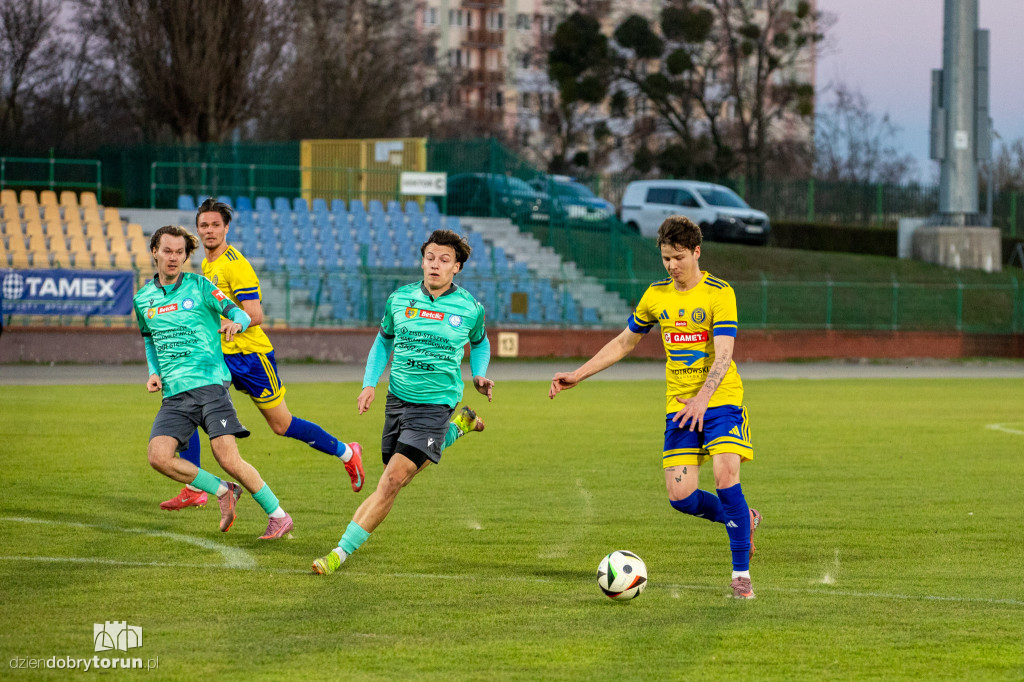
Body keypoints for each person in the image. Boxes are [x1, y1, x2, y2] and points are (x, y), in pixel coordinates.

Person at [549, 216, 762, 599]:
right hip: (678, 406)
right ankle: (743, 519)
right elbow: (623, 343)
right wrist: (579, 374)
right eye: (665, 258)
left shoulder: (719, 292)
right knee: (680, 497)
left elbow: (725, 354)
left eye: (678, 257)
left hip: (720, 401)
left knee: (725, 474)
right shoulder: (656, 295)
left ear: (697, 252)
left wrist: (703, 399)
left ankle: (740, 574)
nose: (671, 266)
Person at [158, 198, 364, 512]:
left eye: (215, 225)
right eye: (204, 225)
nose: (210, 230)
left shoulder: (235, 264)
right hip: (221, 357)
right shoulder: (207, 264)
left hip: (251, 357)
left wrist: (229, 322)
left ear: (226, 228)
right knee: (189, 397)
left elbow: (255, 314)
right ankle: (194, 487)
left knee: (282, 424)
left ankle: (347, 453)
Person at [311, 228, 493, 575]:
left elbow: (480, 342)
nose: (435, 265)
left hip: (435, 404)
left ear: (457, 267)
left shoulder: (470, 308)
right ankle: (458, 427)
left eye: (444, 260)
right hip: (397, 401)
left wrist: (479, 374)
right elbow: (383, 343)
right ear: (422, 261)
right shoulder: (400, 299)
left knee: (392, 481)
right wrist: (369, 384)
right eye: (430, 258)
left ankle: (339, 553)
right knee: (397, 476)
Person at [135, 225, 293, 539]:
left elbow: (241, 312)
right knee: (158, 456)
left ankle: (279, 515)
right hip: (174, 394)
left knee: (228, 458)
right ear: (154, 251)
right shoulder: (143, 299)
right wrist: (153, 372)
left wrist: (238, 322)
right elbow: (149, 340)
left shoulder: (200, 286)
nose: (174, 258)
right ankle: (222, 491)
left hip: (209, 386)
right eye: (167, 251)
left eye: (180, 252)